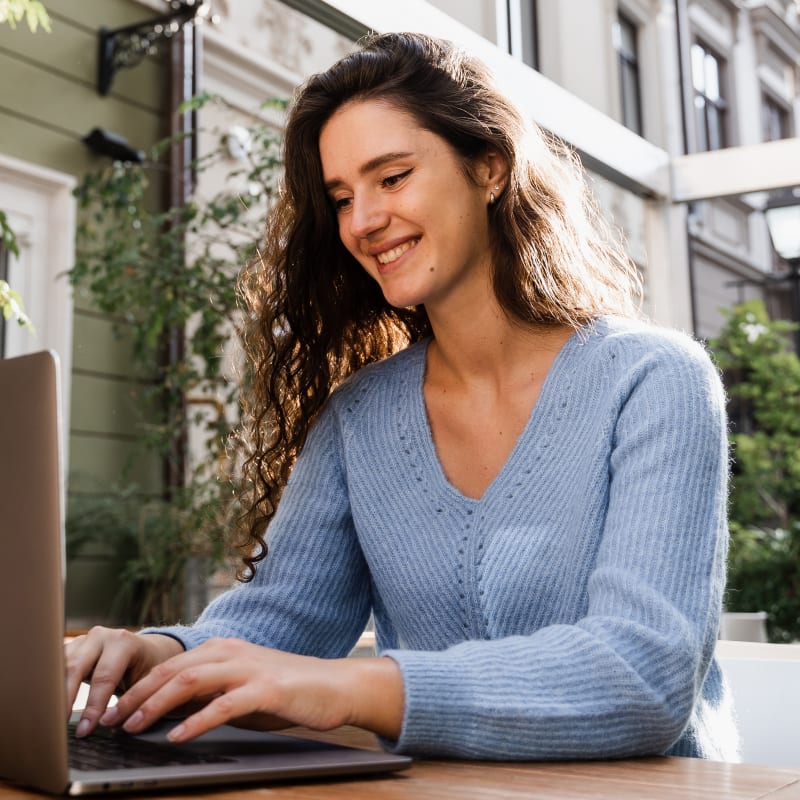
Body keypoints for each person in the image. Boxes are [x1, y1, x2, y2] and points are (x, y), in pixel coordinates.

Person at [66, 31, 739, 761]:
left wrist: (351, 689)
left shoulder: (654, 381)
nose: (362, 221)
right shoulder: (360, 416)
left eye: (392, 178)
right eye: (343, 197)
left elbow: (642, 676)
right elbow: (280, 619)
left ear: (489, 168)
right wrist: (156, 655)